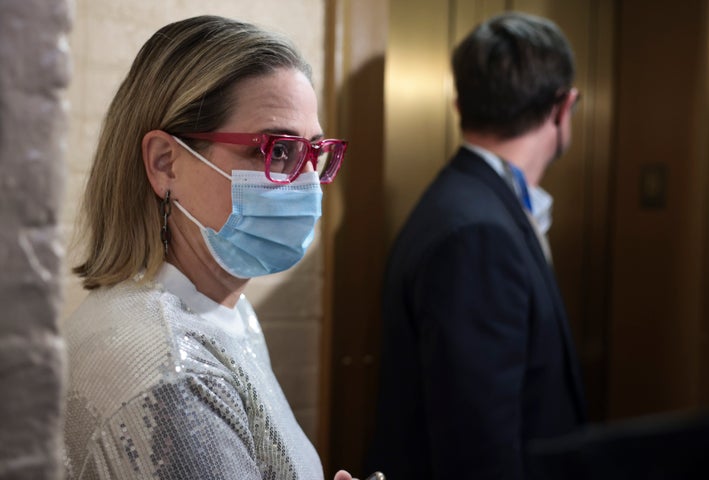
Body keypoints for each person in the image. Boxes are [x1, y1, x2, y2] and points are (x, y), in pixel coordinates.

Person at [62, 15, 354, 480]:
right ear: (165, 164)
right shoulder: (171, 370)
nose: (308, 184)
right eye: (277, 150)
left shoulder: (223, 312)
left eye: (314, 153)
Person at [366, 12, 586, 480]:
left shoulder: (478, 203)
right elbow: (478, 448)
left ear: (459, 105)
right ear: (563, 107)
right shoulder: (476, 234)